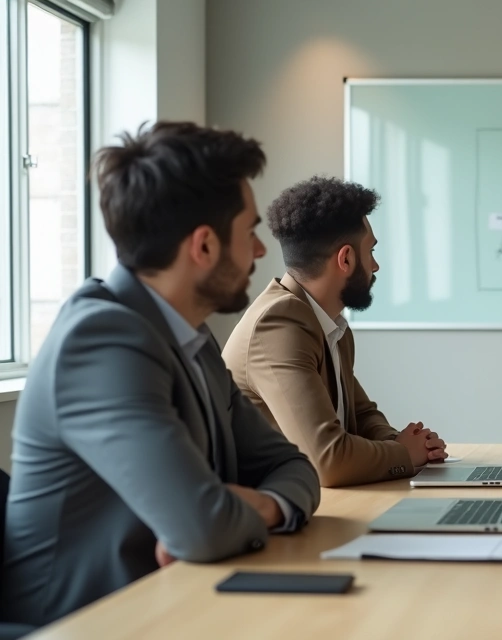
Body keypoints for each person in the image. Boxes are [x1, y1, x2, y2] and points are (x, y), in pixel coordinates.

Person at [0, 122, 322, 627]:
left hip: (174, 606)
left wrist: (265, 505)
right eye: (250, 231)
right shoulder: (101, 341)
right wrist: (255, 507)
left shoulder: (187, 335)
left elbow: (293, 466)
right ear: (204, 247)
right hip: (85, 625)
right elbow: (203, 527)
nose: (260, 252)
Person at [223, 176, 447, 487]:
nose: (375, 266)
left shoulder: (325, 322)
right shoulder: (278, 323)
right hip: (275, 518)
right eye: (371, 252)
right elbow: (327, 460)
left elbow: (362, 415)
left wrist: (406, 442)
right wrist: (403, 455)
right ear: (346, 259)